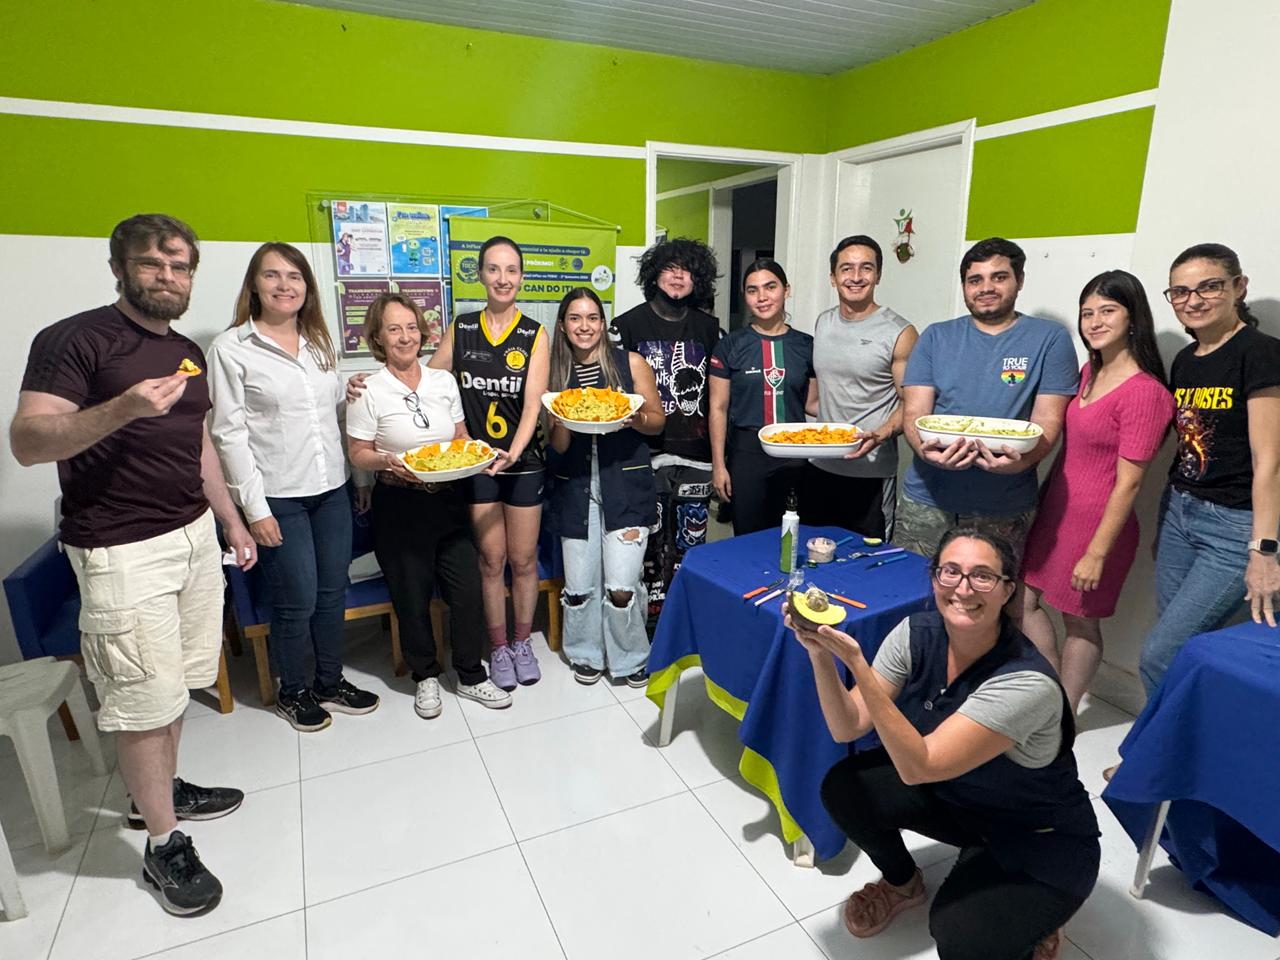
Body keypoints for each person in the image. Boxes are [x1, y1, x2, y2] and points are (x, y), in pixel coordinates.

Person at [10, 214, 255, 916]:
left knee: (173, 686)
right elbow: (28, 441)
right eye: (153, 264)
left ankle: (160, 796)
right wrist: (120, 408)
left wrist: (231, 519)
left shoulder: (183, 350)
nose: (168, 277)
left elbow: (198, 445)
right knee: (142, 701)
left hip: (192, 536)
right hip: (121, 550)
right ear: (120, 267)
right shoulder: (74, 339)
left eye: (181, 267)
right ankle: (163, 845)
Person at [790, 529, 1099, 960]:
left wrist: (857, 664)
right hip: (962, 799)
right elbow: (848, 726)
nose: (963, 588)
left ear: (1008, 590)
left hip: (1037, 833)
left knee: (958, 935)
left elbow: (920, 766)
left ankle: (1036, 920)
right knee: (846, 787)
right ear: (935, 578)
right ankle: (903, 884)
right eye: (950, 571)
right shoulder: (915, 634)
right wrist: (819, 654)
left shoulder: (1025, 682)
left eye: (982, 576)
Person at [207, 242, 379, 732]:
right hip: (278, 495)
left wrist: (351, 402)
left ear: (307, 287)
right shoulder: (231, 348)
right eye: (272, 275)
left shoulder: (319, 342)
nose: (284, 285)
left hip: (331, 489)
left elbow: (331, 415)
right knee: (296, 600)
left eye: (295, 276)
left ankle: (329, 682)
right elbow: (228, 434)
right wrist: (254, 510)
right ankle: (294, 691)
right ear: (254, 285)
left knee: (331, 592)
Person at [346, 293, 511, 715]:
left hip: (449, 498)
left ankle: (471, 674)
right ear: (378, 338)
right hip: (398, 502)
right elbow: (358, 452)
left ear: (422, 332)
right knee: (411, 595)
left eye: (411, 327)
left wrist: (481, 453)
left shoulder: (442, 381)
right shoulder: (367, 389)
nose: (405, 337)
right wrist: (387, 461)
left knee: (467, 590)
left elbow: (459, 437)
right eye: (393, 329)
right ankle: (426, 676)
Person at [1019, 271, 1173, 709]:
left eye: (1108, 311)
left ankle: (1064, 713)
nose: (1095, 322)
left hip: (1098, 527)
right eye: (1087, 313)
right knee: (1021, 602)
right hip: (1057, 513)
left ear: (1133, 317)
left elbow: (1131, 482)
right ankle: (1049, 692)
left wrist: (1097, 553)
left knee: (1080, 622)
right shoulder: (1089, 372)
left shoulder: (1146, 393)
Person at [1137, 243, 1280, 696]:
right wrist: (1167, 519)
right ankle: (1173, 735)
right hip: (1180, 512)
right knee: (1181, 647)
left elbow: (1271, 461)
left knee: (1161, 653)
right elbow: (1186, 446)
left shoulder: (1261, 354)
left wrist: (1264, 550)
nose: (1193, 300)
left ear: (1239, 287)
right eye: (1180, 292)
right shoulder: (1186, 359)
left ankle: (1159, 740)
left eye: (1209, 287)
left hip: (1233, 527)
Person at [899, 238, 1079, 566]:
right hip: (927, 498)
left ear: (1019, 280)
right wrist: (925, 452)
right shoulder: (935, 336)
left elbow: (1048, 421)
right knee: (912, 588)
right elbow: (914, 413)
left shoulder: (1050, 339)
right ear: (964, 287)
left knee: (991, 592)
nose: (986, 288)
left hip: (1004, 504)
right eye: (975, 280)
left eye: (999, 277)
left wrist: (1022, 463)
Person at [428, 236, 549, 691]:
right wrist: (374, 383)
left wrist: (514, 452)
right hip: (478, 465)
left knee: (523, 559)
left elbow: (533, 404)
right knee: (491, 560)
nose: (503, 278)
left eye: (511, 270)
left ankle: (522, 642)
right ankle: (497, 646)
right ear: (480, 274)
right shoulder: (461, 328)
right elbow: (425, 381)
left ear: (522, 277)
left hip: (522, 462)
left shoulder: (535, 333)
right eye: (494, 269)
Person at [546, 288, 666, 685]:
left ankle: (630, 657)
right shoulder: (555, 372)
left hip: (626, 483)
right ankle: (585, 652)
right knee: (580, 586)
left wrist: (633, 417)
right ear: (563, 325)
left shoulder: (630, 363)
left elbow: (657, 421)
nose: (584, 326)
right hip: (575, 487)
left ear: (603, 323)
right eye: (575, 318)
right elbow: (559, 446)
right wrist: (560, 419)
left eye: (592, 318)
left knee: (621, 586)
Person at [611, 238, 721, 624]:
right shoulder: (626, 326)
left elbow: (720, 396)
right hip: (643, 453)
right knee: (649, 543)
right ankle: (652, 620)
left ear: (698, 279)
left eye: (686, 269)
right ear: (653, 275)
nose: (678, 276)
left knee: (692, 542)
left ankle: (686, 616)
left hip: (697, 455)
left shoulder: (710, 328)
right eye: (669, 268)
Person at [806, 235, 918, 539]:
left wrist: (880, 434)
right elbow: (826, 389)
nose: (856, 277)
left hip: (871, 471)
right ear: (833, 277)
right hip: (820, 464)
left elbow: (911, 403)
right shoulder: (823, 323)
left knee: (869, 555)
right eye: (846, 268)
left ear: (878, 275)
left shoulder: (900, 331)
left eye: (866, 268)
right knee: (817, 549)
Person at [708, 259, 815, 534]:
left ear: (786, 290)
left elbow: (813, 403)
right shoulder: (729, 345)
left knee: (791, 534)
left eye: (770, 287)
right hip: (747, 453)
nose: (762, 297)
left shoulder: (807, 345)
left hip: (794, 452)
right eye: (752, 290)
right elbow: (718, 408)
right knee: (747, 537)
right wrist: (719, 465)